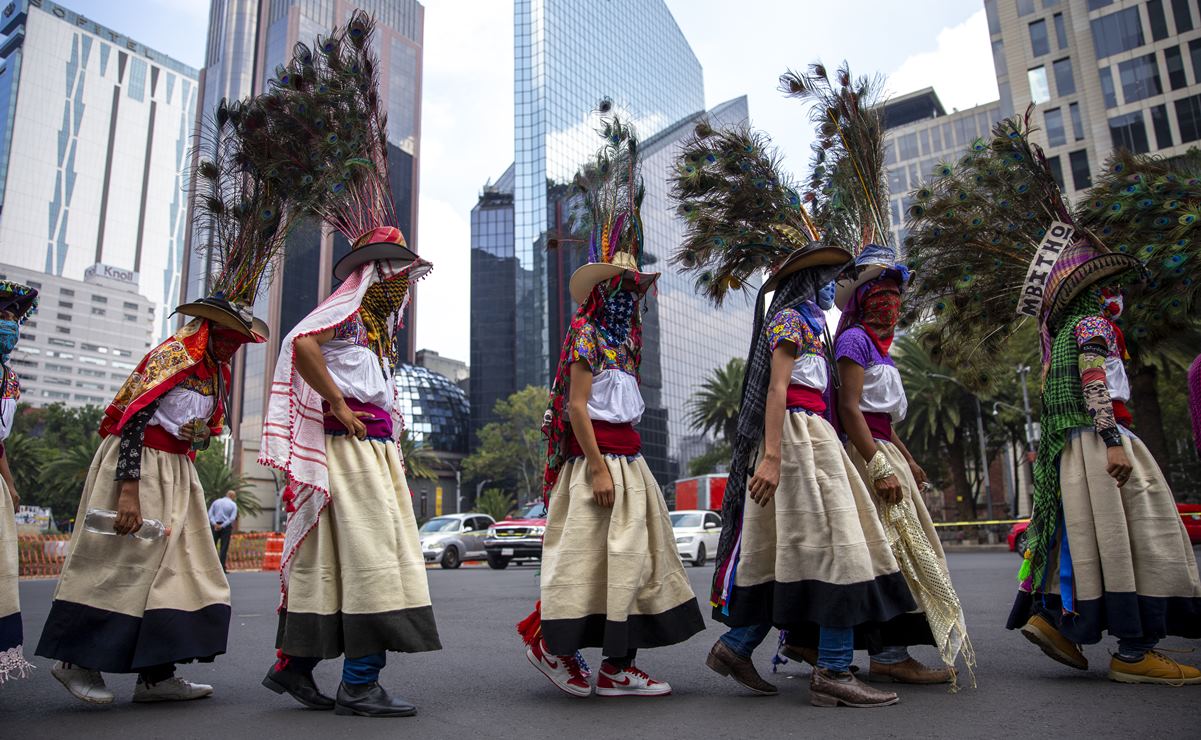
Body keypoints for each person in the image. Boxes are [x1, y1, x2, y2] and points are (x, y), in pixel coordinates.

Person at [35, 94, 289, 705]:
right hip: (140, 467)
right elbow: (132, 417)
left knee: (184, 569)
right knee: (120, 562)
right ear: (210, 328)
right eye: (230, 335)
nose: (237, 345)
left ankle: (156, 674)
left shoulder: (212, 371)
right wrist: (127, 487)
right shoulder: (174, 356)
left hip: (177, 472)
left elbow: (190, 428)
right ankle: (78, 662)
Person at [670, 123, 909, 707]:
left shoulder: (815, 327)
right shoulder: (793, 320)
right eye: (827, 278)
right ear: (808, 280)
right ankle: (831, 670)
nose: (834, 287)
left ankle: (739, 645)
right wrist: (772, 456)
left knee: (803, 550)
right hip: (800, 440)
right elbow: (778, 390)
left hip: (815, 438)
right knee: (837, 545)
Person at [256, 15, 440, 717]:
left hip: (366, 447)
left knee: (335, 561)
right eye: (395, 271)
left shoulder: (372, 322)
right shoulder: (343, 311)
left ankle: (294, 667)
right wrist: (335, 403)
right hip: (353, 446)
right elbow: (298, 345)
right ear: (374, 270)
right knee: (375, 559)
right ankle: (360, 681)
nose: (403, 281)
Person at [518, 111, 704, 698]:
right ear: (602, 292)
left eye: (634, 289)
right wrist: (597, 467)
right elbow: (578, 408)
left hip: (632, 467)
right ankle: (552, 648)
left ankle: (617, 668)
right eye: (621, 289)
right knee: (583, 563)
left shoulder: (626, 342)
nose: (630, 297)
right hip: (595, 466)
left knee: (636, 563)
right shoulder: (586, 335)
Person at [1008, 244, 1201, 684]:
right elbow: (1094, 379)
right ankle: (1135, 652)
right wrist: (1113, 440)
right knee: (1139, 540)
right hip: (1101, 439)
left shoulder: (1064, 333)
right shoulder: (1093, 324)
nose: (1116, 294)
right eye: (1108, 287)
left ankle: (1056, 622)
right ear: (1091, 292)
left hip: (1074, 449)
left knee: (1085, 541)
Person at [0, 281, 37, 685]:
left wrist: (9, 484)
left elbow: (0, 442)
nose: (8, 324)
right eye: (2, 316)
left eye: (12, 317)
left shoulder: (9, 379)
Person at [208, 490, 237, 572]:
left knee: (212, 546)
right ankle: (221, 568)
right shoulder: (233, 504)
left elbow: (210, 514)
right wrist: (222, 526)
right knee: (224, 548)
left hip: (215, 526)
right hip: (226, 527)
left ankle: (210, 567)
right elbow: (232, 518)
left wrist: (215, 524)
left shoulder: (216, 502)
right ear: (233, 496)